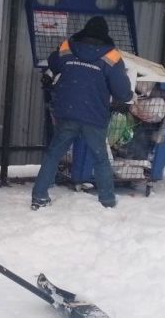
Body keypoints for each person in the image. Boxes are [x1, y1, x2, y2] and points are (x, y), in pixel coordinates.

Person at [32, 16, 133, 210]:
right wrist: (127, 93)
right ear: (105, 35)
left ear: (85, 30)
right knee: (100, 159)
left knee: (54, 155)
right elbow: (122, 93)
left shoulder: (68, 47)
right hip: (93, 116)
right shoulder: (112, 57)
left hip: (67, 112)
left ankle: (39, 196)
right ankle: (107, 201)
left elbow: (54, 62)